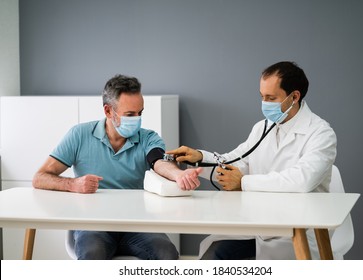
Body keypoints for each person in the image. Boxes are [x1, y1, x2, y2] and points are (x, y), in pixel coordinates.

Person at [166, 61, 337, 260]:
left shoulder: (320, 133)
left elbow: (302, 180)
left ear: (295, 96)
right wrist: (199, 158)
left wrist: (244, 182)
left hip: (298, 229)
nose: (264, 103)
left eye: (271, 98)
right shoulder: (262, 127)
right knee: (213, 258)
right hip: (257, 224)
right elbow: (236, 161)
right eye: (262, 96)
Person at [32, 74, 202, 260]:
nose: (137, 119)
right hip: (94, 224)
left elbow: (159, 161)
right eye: (130, 115)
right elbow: (40, 177)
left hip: (137, 224)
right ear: (108, 111)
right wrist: (73, 184)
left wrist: (178, 175)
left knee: (167, 253)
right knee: (92, 255)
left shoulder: (148, 137)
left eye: (140, 113)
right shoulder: (79, 135)